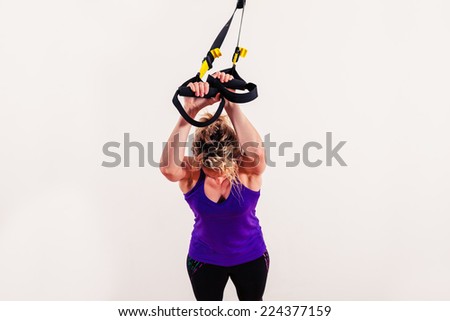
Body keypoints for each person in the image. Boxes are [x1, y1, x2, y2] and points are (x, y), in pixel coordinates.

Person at [160, 72, 269, 301]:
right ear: (198, 157)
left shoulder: (247, 171)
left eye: (223, 168)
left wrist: (231, 104)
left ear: (235, 155)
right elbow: (169, 169)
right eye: (211, 169)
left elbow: (257, 154)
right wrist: (188, 113)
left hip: (251, 257)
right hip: (204, 260)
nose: (218, 176)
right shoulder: (192, 172)